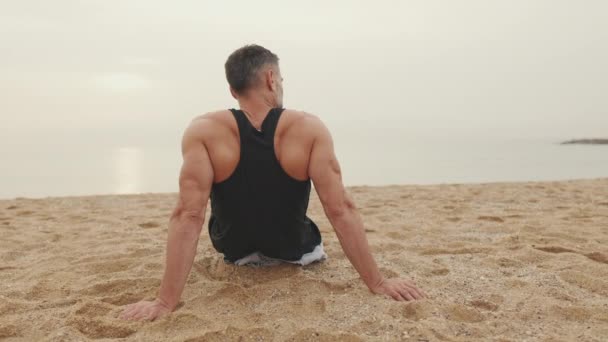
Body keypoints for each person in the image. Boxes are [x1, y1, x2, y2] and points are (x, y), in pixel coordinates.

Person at [120, 44, 426, 321]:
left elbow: (188, 215)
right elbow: (340, 208)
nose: (281, 85)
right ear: (270, 78)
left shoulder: (203, 130)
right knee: (309, 225)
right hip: (295, 250)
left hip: (234, 250)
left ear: (232, 90)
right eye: (281, 79)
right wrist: (378, 282)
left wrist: (164, 302)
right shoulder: (308, 129)